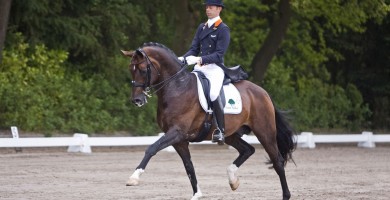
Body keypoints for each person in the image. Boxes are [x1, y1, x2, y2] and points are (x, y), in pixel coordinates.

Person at [178, 0, 229, 145]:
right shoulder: (202, 27)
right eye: (206, 7)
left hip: (215, 68)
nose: (208, 9)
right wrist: (183, 58)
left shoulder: (223, 29)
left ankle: (220, 130)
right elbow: (194, 48)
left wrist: (199, 59)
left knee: (213, 94)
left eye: (211, 7)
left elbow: (219, 54)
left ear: (219, 9)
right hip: (200, 68)